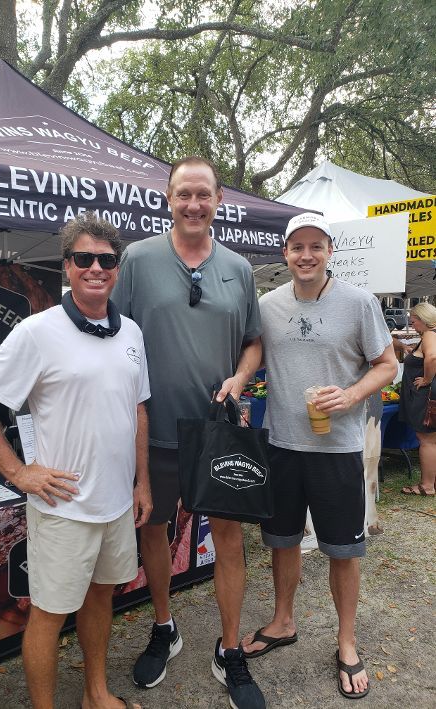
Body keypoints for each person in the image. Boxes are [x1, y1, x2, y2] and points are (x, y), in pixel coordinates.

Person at [0, 213, 152, 709]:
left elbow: (137, 410)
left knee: (101, 597)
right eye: (84, 258)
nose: (96, 268)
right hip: (64, 507)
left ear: (117, 268)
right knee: (48, 614)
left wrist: (142, 483)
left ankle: (95, 694)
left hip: (116, 504)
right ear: (67, 265)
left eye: (106, 259)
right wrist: (18, 472)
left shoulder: (131, 332)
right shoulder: (37, 331)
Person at [112, 156, 265, 708]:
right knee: (153, 532)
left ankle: (230, 649)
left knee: (229, 539)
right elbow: (115, 334)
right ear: (168, 199)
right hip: (152, 430)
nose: (193, 204)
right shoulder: (137, 259)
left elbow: (253, 341)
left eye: (203, 194)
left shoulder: (239, 269)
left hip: (217, 433)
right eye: (184, 194)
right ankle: (164, 626)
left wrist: (241, 377)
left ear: (219, 200)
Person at [241, 212, 397, 700]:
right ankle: (283, 621)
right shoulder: (268, 304)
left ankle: (346, 641)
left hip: (337, 449)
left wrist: (351, 395)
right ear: (285, 253)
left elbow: (387, 365)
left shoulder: (359, 302)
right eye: (297, 247)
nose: (306, 255)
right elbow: (254, 352)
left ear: (330, 251)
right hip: (282, 445)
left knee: (343, 550)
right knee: (282, 541)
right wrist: (239, 379)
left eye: (315, 246)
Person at [399, 302, 436, 496]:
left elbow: (432, 357)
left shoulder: (430, 335)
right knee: (432, 439)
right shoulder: (431, 335)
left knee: (426, 440)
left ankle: (427, 486)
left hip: (426, 396)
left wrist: (427, 379)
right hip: (430, 395)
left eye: (413, 321)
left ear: (423, 320)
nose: (412, 325)